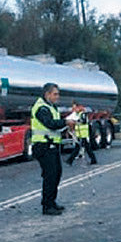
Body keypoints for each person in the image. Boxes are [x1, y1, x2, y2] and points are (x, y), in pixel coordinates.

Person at [31, 83, 76, 215]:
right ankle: (47, 206)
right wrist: (66, 122)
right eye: (55, 94)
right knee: (50, 176)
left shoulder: (51, 107)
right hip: (43, 146)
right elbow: (50, 124)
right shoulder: (41, 108)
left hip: (52, 145)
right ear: (47, 94)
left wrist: (66, 126)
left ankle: (52, 202)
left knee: (56, 174)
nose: (58, 97)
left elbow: (56, 125)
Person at [65, 101, 97, 166]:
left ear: (78, 107)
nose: (74, 109)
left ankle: (70, 160)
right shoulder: (77, 114)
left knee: (81, 148)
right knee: (84, 148)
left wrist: (76, 121)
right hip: (79, 134)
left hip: (83, 134)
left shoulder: (82, 114)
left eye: (75, 107)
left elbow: (83, 121)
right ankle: (93, 160)